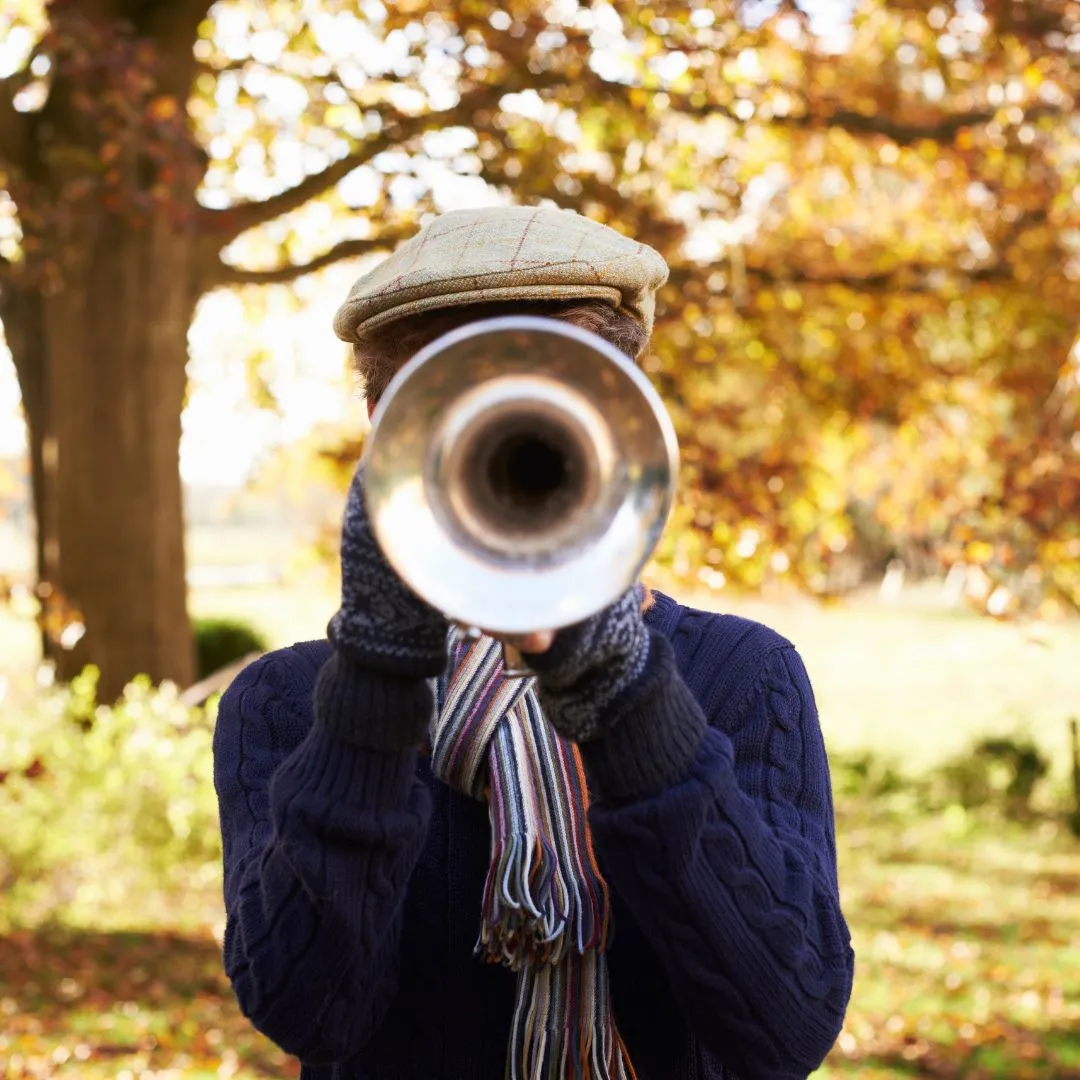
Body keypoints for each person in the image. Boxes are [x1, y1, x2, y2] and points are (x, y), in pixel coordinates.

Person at [212, 206, 855, 1080]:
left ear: (627, 416)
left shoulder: (743, 675)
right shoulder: (289, 701)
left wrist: (627, 696)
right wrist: (376, 673)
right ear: (380, 423)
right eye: (454, 401)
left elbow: (785, 1026)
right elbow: (309, 1013)